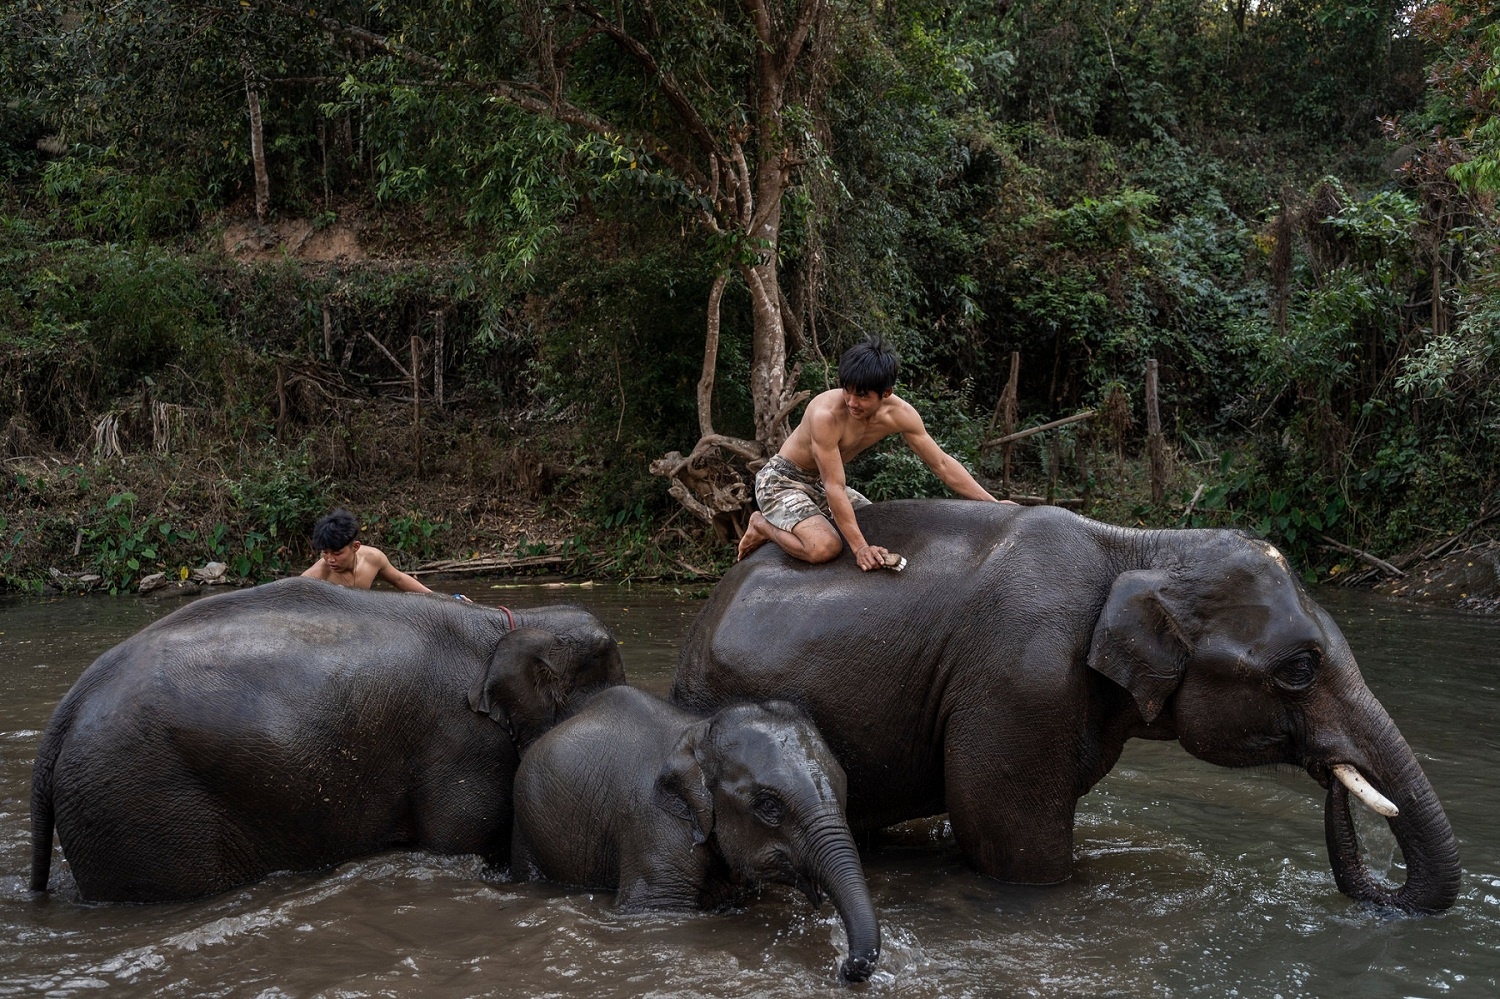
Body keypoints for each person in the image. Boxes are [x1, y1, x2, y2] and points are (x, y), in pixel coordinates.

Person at [737, 336, 1007, 570]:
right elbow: (835, 485)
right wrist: (860, 549)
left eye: (863, 396)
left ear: (886, 393)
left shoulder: (901, 415)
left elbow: (942, 464)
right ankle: (762, 525)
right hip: (782, 482)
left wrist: (993, 505)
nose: (852, 402)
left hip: (816, 484)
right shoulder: (826, 414)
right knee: (825, 547)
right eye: (848, 391)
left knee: (880, 522)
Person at [301, 508, 445, 595]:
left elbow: (399, 579)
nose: (330, 559)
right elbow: (289, 594)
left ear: (355, 547)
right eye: (325, 553)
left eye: (337, 553)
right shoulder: (319, 573)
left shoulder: (373, 558)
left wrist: (441, 599)